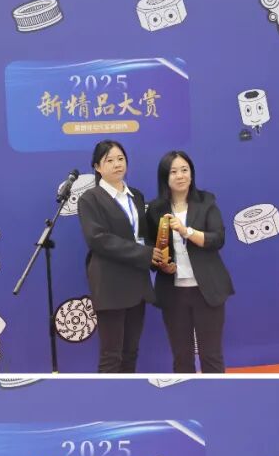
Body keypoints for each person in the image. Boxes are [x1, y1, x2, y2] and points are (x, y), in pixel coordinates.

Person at [77, 140, 169, 372]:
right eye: (109, 160)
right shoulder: (90, 199)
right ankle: (108, 396)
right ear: (97, 167)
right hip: (110, 284)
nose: (117, 164)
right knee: (111, 355)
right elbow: (98, 239)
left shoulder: (135, 196)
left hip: (137, 282)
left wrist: (160, 253)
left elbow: (141, 236)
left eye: (121, 159)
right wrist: (145, 253)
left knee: (131, 351)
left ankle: (128, 393)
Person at [146, 151, 234, 373]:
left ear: (191, 174)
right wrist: (161, 264)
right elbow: (150, 250)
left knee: (211, 355)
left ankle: (215, 393)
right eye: (173, 171)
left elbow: (217, 239)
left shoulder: (206, 201)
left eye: (184, 170)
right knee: (182, 357)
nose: (180, 176)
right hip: (173, 293)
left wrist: (187, 231)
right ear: (165, 177)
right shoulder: (155, 210)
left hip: (207, 290)